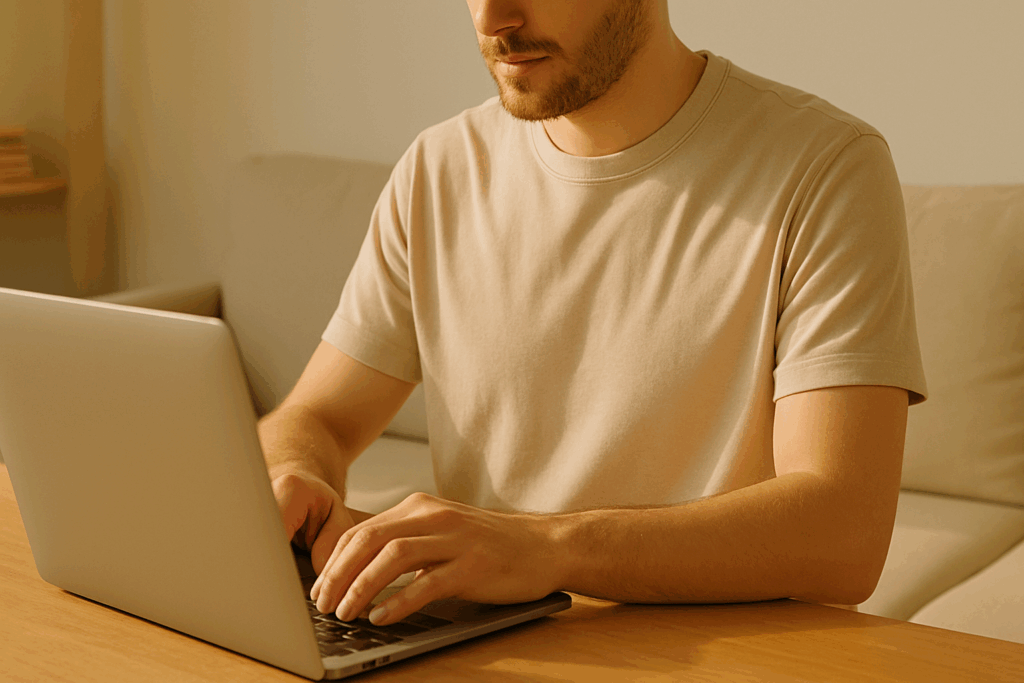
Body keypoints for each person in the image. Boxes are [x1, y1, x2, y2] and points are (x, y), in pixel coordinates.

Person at [257, 0, 928, 628]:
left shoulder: (824, 167)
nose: (493, 17)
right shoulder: (439, 170)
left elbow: (842, 531)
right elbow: (317, 417)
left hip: (727, 652)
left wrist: (551, 548)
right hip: (486, 648)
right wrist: (296, 473)